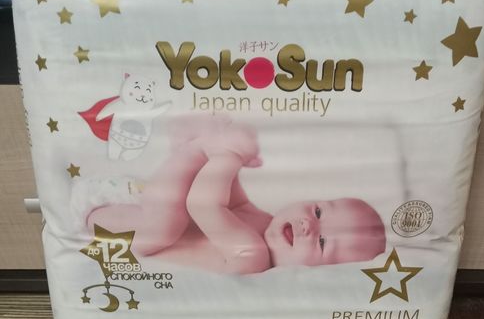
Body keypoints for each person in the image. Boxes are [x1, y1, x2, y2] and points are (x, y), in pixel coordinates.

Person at [76, 115, 386, 274]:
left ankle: (194, 146)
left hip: (112, 231)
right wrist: (230, 167)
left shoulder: (253, 258)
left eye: (322, 243)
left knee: (165, 227)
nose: (309, 225)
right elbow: (231, 201)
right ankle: (196, 144)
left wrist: (229, 156)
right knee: (167, 219)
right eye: (318, 212)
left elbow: (203, 205)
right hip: (129, 202)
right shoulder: (265, 221)